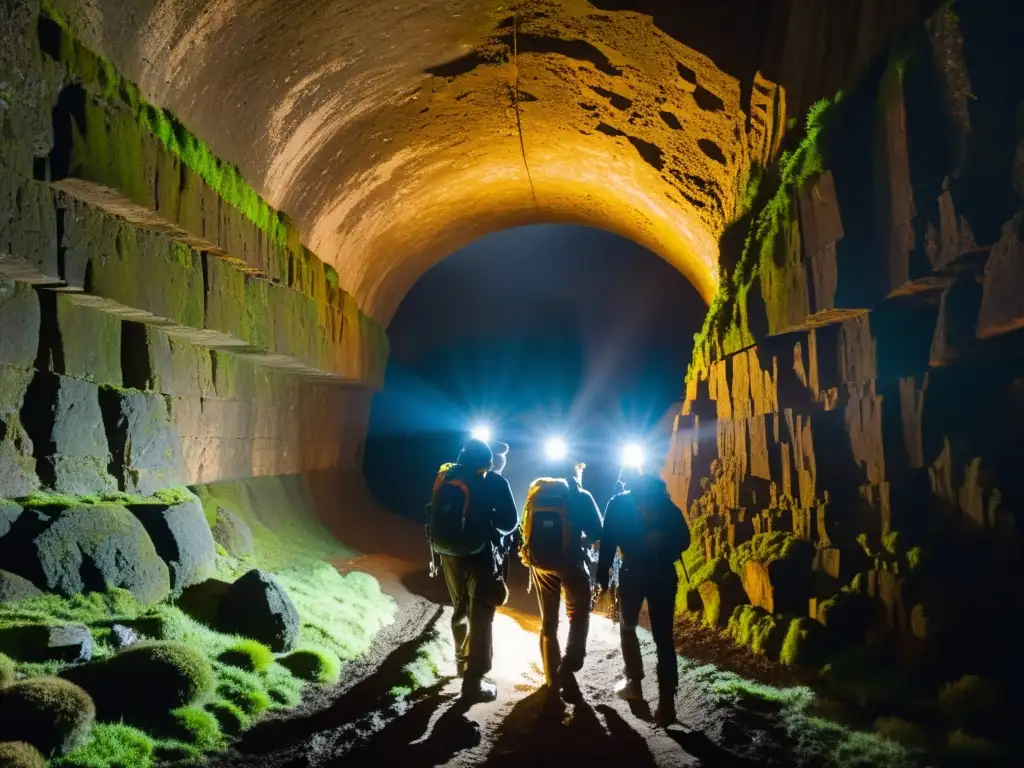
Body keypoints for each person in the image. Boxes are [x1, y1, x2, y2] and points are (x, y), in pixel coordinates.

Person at [597, 464, 690, 726]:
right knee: (663, 637)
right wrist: (665, 547)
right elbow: (685, 538)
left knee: (628, 626)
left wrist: (602, 579)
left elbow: (607, 542)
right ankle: (667, 703)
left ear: (626, 481)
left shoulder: (618, 503)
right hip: (663, 573)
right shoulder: (664, 502)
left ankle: (634, 683)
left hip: (633, 571)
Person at [427, 438, 518, 702]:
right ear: (488, 463)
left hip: (448, 553)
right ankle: (474, 681)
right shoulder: (495, 482)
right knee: (481, 614)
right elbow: (509, 523)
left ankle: (460, 663)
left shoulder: (446, 476)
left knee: (460, 608)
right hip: (479, 554)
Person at [520, 458, 602, 697]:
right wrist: (580, 542)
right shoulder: (580, 495)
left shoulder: (537, 492)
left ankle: (551, 679)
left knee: (549, 619)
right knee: (579, 610)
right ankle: (570, 663)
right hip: (570, 563)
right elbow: (598, 531)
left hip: (541, 563)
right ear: (576, 470)